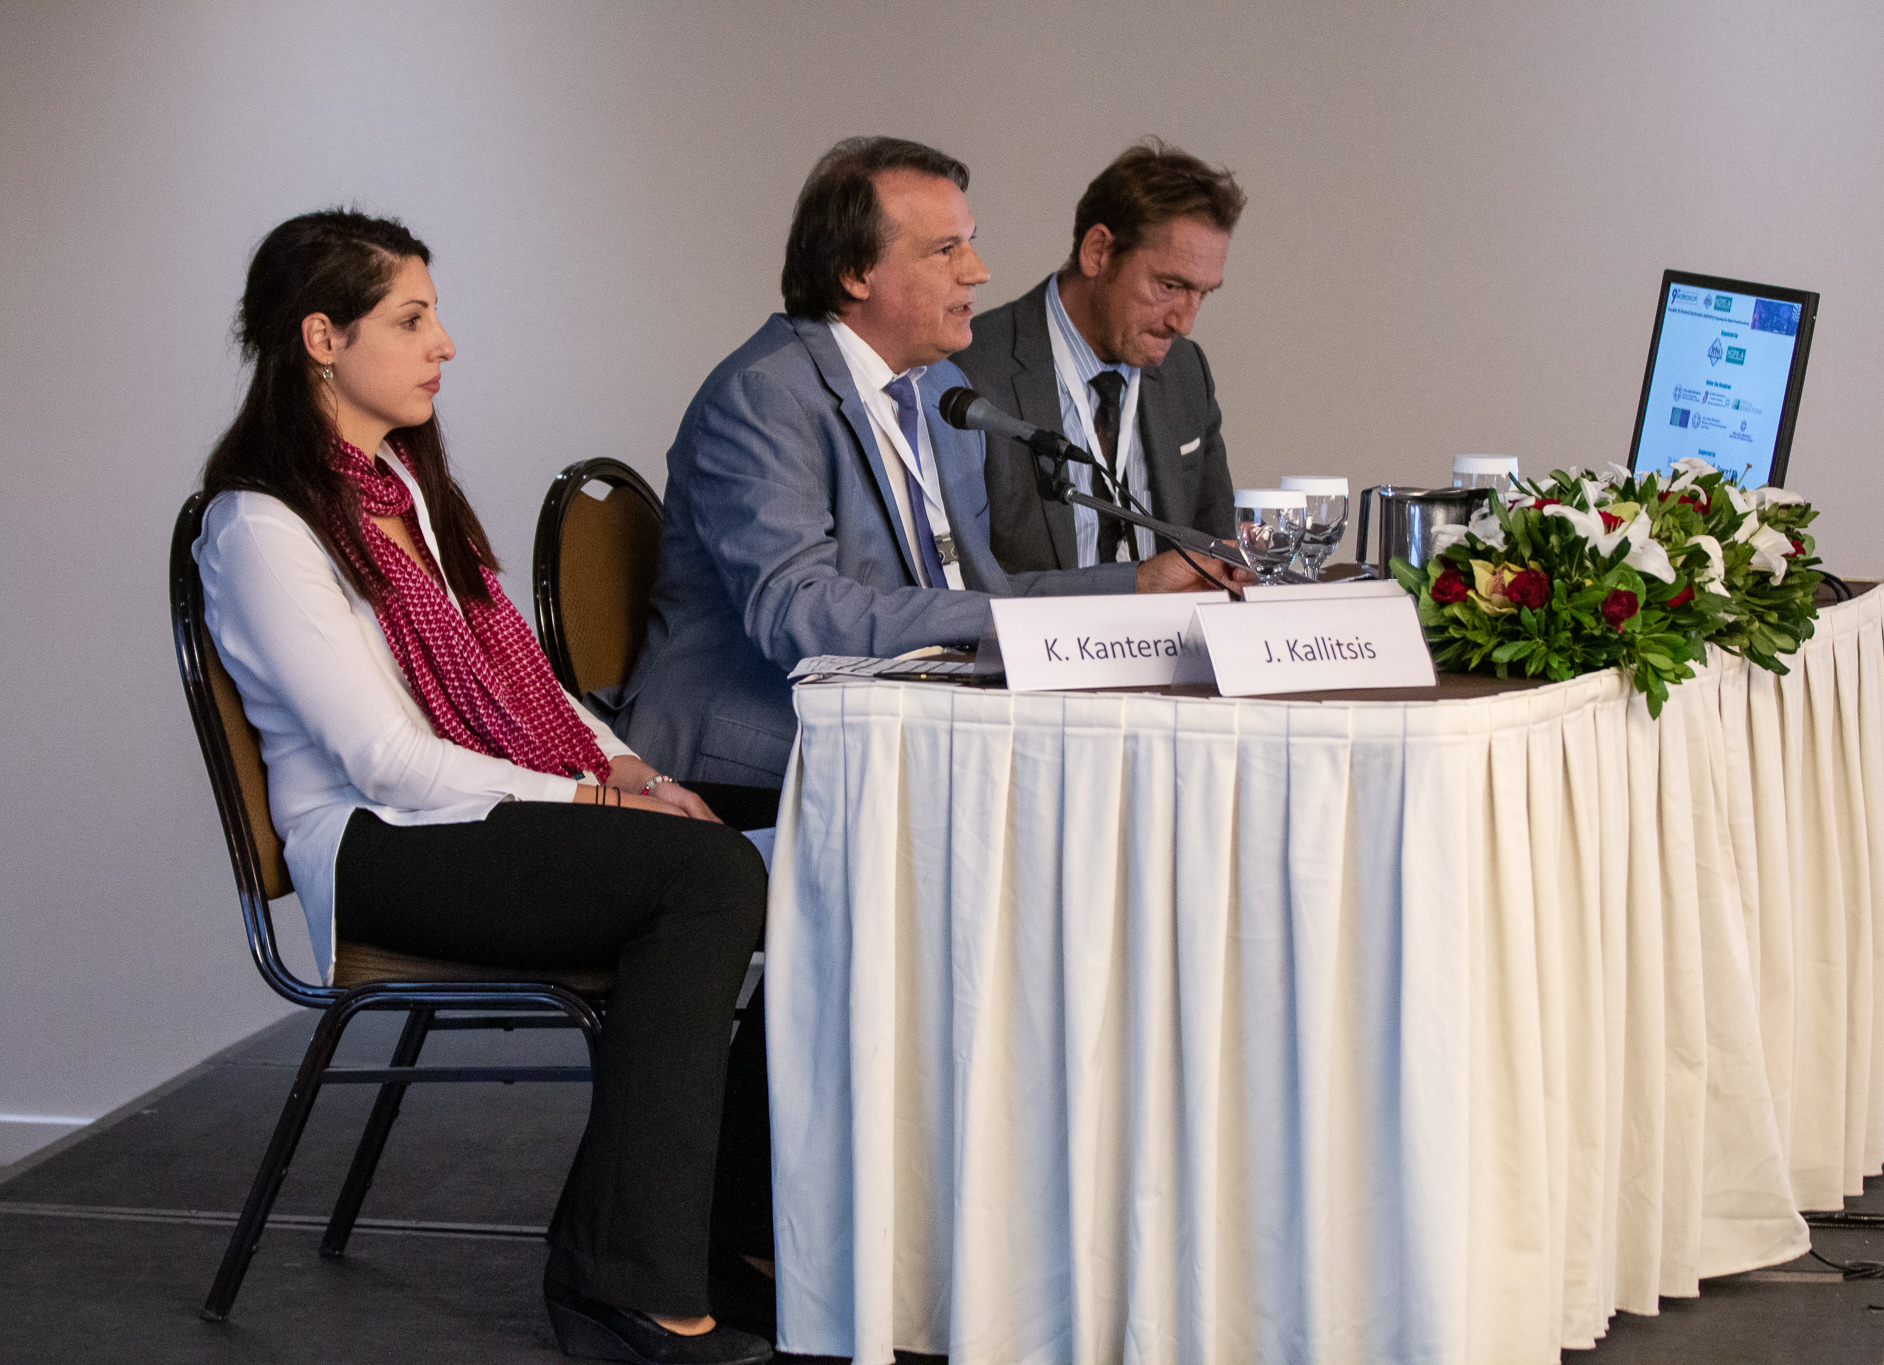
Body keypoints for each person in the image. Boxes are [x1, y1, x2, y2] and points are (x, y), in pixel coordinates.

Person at [195, 209, 772, 1365]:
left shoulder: (401, 492)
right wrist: (591, 804)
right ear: (321, 338)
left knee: (795, 861)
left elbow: (526, 680)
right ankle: (625, 1278)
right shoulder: (260, 526)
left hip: (468, 821)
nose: (443, 343)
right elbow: (386, 761)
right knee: (706, 879)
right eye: (411, 318)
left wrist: (625, 766)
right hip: (377, 846)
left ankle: (712, 1234)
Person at [617, 136, 1240, 790]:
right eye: (946, 250)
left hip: (899, 728)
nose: (979, 271)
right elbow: (801, 613)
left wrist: (1136, 587)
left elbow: (983, 591)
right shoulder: (764, 397)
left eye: (969, 243)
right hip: (754, 753)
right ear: (856, 273)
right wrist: (1005, 624)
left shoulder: (940, 389)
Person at [954, 140, 1245, 573]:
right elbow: (961, 582)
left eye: (1203, 293)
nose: (1184, 322)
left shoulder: (1186, 371)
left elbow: (1217, 551)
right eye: (1169, 286)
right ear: (1098, 252)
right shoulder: (969, 371)